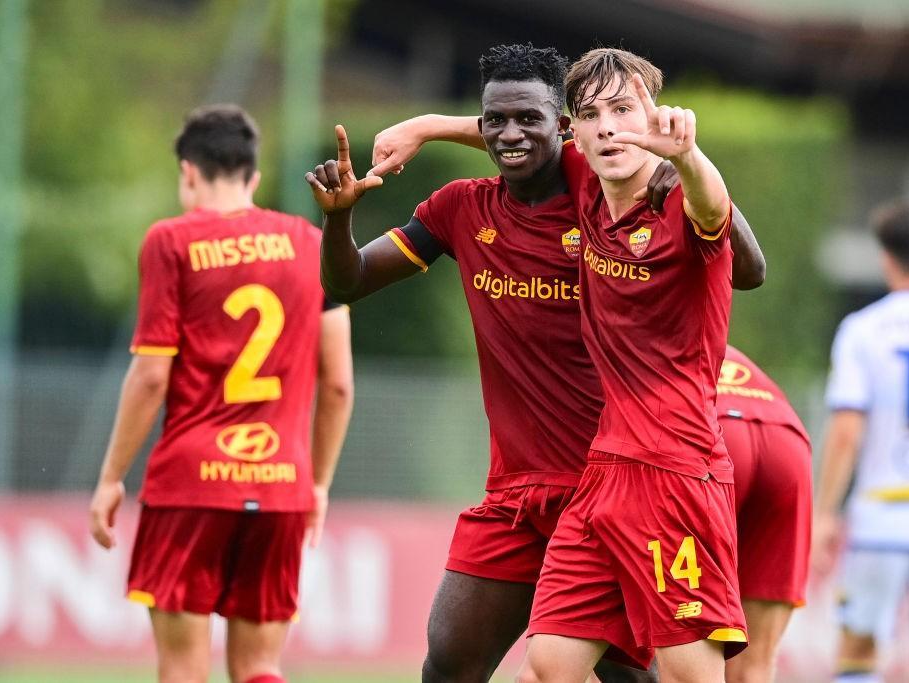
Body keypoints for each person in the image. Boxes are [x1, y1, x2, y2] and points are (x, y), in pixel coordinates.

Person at [308, 44, 763, 683]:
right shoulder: (466, 207)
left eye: (534, 120)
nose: (510, 135)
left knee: (642, 674)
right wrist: (349, 209)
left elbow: (742, 260)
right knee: (473, 660)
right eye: (494, 122)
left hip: (650, 470)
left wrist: (683, 156)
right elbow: (348, 281)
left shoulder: (610, 187)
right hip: (536, 488)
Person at [88, 104, 354, 683]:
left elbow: (152, 375)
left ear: (187, 171)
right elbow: (337, 383)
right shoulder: (312, 244)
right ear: (253, 177)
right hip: (281, 484)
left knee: (183, 667)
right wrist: (318, 484)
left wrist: (111, 478)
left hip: (191, 487)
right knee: (261, 667)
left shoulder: (171, 241)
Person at [511, 48, 745, 683]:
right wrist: (424, 127)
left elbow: (712, 207)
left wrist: (688, 156)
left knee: (690, 674)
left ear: (654, 117)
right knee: (550, 663)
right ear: (575, 134)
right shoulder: (588, 189)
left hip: (676, 473)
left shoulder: (678, 201)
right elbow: (516, 131)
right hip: (604, 472)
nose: (609, 127)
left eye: (624, 110)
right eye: (592, 115)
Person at [818, 202, 909, 683]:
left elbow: (846, 431)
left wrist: (823, 512)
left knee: (858, 650)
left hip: (879, 514)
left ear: (885, 258)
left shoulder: (862, 330)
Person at [717, 346, 813, 683]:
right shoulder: (711, 332)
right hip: (786, 436)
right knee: (753, 666)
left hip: (713, 433)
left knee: (682, 644)